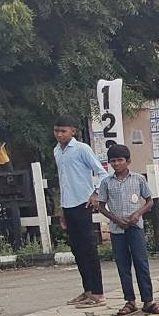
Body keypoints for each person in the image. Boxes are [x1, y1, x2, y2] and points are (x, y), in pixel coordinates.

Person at [98, 142, 159, 315]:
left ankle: (148, 300)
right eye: (113, 161)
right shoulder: (106, 182)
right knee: (123, 265)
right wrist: (116, 219)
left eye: (120, 160)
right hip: (117, 229)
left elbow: (149, 201)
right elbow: (101, 206)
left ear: (128, 161)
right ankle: (130, 301)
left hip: (135, 227)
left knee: (141, 263)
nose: (116, 164)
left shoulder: (138, 179)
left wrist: (138, 214)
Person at [52, 116, 108, 306]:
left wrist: (96, 192)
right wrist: (61, 208)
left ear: (72, 131)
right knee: (77, 250)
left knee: (89, 248)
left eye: (63, 131)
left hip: (83, 203)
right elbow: (63, 181)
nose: (59, 135)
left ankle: (98, 293)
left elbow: (102, 172)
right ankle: (88, 290)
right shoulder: (57, 151)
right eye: (57, 131)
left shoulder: (82, 149)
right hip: (68, 205)